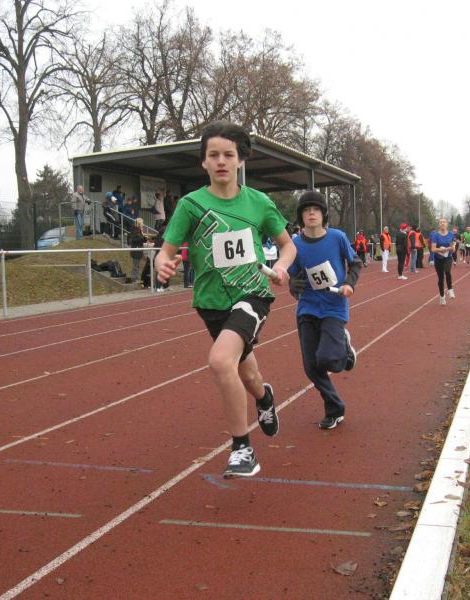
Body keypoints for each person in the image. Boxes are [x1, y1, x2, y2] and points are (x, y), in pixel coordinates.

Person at [154, 121, 296, 478]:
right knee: (246, 373)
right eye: (213, 155)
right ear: (203, 162)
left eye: (228, 155)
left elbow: (288, 246)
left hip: (252, 293)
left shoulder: (259, 203)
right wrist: (163, 264)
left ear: (240, 161)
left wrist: (281, 267)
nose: (221, 161)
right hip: (211, 302)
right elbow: (166, 250)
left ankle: (242, 449)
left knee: (220, 361)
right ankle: (264, 397)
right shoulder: (191, 205)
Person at [288, 191, 361, 430]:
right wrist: (293, 284)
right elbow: (293, 274)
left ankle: (344, 349)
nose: (311, 213)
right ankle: (334, 408)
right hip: (307, 307)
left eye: (316, 209)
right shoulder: (295, 245)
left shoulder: (337, 237)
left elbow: (356, 262)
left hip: (333, 306)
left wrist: (349, 283)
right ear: (301, 216)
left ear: (323, 214)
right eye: (306, 210)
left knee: (330, 360)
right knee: (311, 366)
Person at [430, 218, 456, 305]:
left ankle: (450, 289)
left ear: (447, 224)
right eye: (440, 222)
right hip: (438, 259)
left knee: (447, 271)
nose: (442, 223)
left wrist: (452, 248)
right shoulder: (435, 235)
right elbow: (433, 249)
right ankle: (442, 296)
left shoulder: (451, 234)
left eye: (444, 222)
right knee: (441, 278)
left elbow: (453, 247)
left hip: (448, 257)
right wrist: (444, 249)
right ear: (439, 225)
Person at [128, 218, 150, 285]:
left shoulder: (139, 230)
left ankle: (136, 277)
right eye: (142, 223)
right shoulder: (134, 230)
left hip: (138, 250)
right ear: (139, 223)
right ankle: (134, 278)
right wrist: (142, 238)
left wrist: (145, 239)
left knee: (137, 265)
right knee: (135, 265)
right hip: (136, 250)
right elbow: (134, 240)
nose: (143, 224)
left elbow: (140, 240)